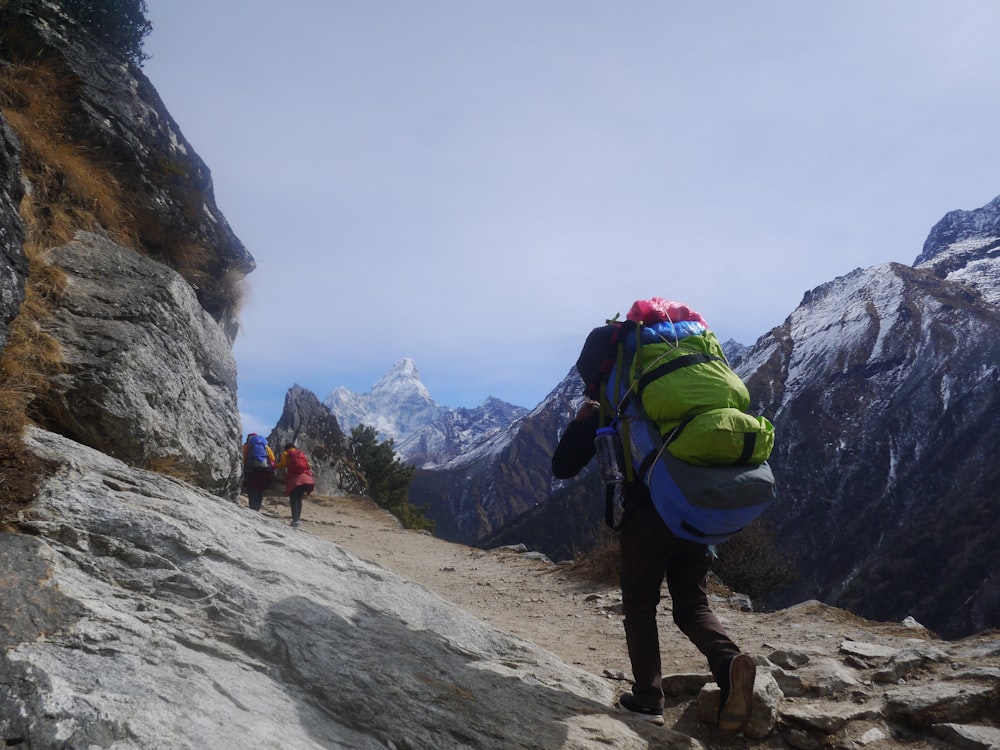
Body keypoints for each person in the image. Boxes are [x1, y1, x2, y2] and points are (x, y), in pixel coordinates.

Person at [552, 333, 756, 733]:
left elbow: (563, 467)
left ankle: (648, 699)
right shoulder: (678, 402)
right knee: (692, 605)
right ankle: (730, 662)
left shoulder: (616, 407)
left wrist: (581, 423)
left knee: (641, 606)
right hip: (695, 513)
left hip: (646, 518)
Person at [273, 443, 315, 528]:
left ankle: (295, 520)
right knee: (299, 499)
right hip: (304, 480)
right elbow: (308, 466)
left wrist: (275, 466)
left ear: (286, 448)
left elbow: (283, 464)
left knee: (293, 500)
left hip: (294, 480)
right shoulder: (301, 454)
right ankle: (298, 520)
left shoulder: (286, 453)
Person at [241, 433, 275, 512]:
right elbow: (272, 458)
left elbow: (244, 458)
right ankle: (258, 507)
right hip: (263, 471)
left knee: (251, 488)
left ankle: (252, 506)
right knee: (260, 489)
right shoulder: (265, 446)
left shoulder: (246, 446)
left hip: (251, 470)